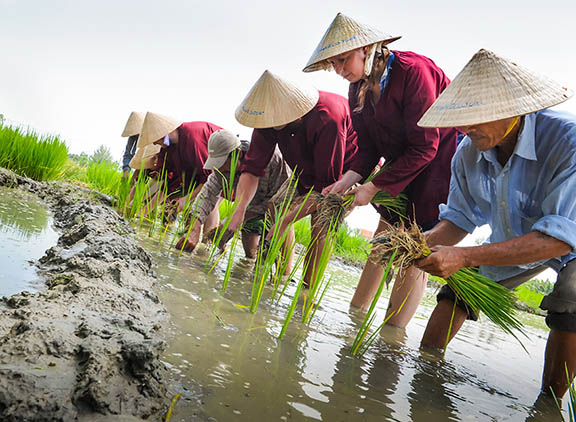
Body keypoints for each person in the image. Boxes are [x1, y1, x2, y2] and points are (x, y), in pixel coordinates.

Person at [414, 48, 575, 399]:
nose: (464, 127)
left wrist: (467, 256)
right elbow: (459, 219)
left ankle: (548, 406)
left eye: (477, 116)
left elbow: (560, 240)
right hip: (516, 241)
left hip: (569, 242)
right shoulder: (468, 151)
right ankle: (423, 378)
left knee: (572, 294)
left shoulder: (568, 142)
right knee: (459, 289)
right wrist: (417, 243)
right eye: (462, 117)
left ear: (512, 110)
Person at [304, 13, 458, 326]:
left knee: (414, 247)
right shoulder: (356, 87)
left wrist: (374, 187)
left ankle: (392, 333)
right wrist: (346, 181)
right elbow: (368, 147)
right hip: (401, 160)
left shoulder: (414, 72)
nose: (340, 70)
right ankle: (355, 316)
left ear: (368, 49)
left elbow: (426, 145)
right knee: (384, 235)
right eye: (333, 64)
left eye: (344, 59)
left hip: (438, 161)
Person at [228, 70, 358, 287]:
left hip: (345, 173)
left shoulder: (327, 116)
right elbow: (252, 169)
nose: (269, 124)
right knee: (275, 206)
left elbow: (327, 189)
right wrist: (238, 211)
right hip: (305, 171)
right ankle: (282, 274)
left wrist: (286, 221)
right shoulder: (266, 120)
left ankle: (306, 293)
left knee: (321, 224)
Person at [175, 129, 290, 258]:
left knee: (273, 249)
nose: (220, 168)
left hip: (277, 206)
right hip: (250, 206)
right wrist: (194, 228)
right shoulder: (221, 170)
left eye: (223, 162)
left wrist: (236, 217)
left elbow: (282, 201)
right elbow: (207, 194)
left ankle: (285, 274)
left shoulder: (272, 159)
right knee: (251, 254)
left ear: (237, 154)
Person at [137, 112, 222, 228]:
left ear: (163, 132)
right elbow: (165, 182)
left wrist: (186, 199)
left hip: (219, 172)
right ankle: (175, 234)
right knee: (172, 204)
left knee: (210, 204)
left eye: (154, 138)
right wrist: (143, 210)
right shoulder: (167, 149)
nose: (154, 143)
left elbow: (209, 179)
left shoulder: (193, 138)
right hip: (195, 177)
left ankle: (207, 244)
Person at [120, 111, 144, 179]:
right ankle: (126, 172)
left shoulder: (148, 137)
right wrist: (126, 169)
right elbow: (128, 154)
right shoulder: (132, 137)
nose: (136, 134)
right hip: (133, 164)